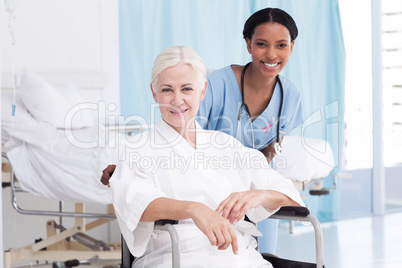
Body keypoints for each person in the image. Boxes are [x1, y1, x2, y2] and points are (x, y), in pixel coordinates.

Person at [102, 7, 302, 254]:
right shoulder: (137, 147)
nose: (177, 100)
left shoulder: (225, 144)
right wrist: (194, 209)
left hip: (240, 255)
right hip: (177, 255)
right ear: (154, 93)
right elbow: (136, 203)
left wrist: (259, 195)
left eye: (187, 89)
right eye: (167, 90)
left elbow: (291, 196)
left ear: (202, 91)